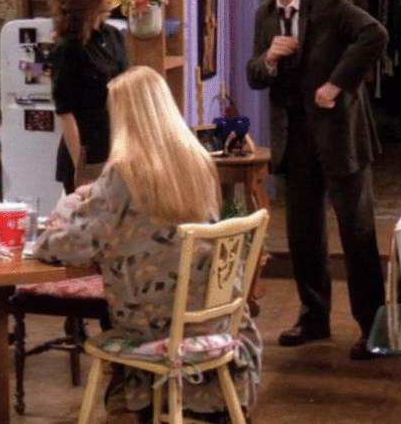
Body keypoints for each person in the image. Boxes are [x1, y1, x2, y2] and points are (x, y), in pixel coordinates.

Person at [35, 66, 261, 423]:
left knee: (112, 313)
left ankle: (128, 402)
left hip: (154, 325)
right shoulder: (198, 162)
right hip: (214, 318)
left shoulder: (124, 171)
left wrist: (52, 228)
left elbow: (76, 245)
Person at [246, 0, 387, 360]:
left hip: (340, 135)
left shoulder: (329, 4)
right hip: (296, 139)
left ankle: (373, 327)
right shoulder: (265, 16)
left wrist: (337, 83)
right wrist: (269, 58)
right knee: (303, 235)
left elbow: (374, 35)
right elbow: (253, 75)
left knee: (357, 236)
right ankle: (314, 317)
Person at [48, 0, 129, 193]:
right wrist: (81, 167)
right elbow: (66, 113)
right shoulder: (68, 47)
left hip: (118, 147)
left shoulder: (114, 36)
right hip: (87, 152)